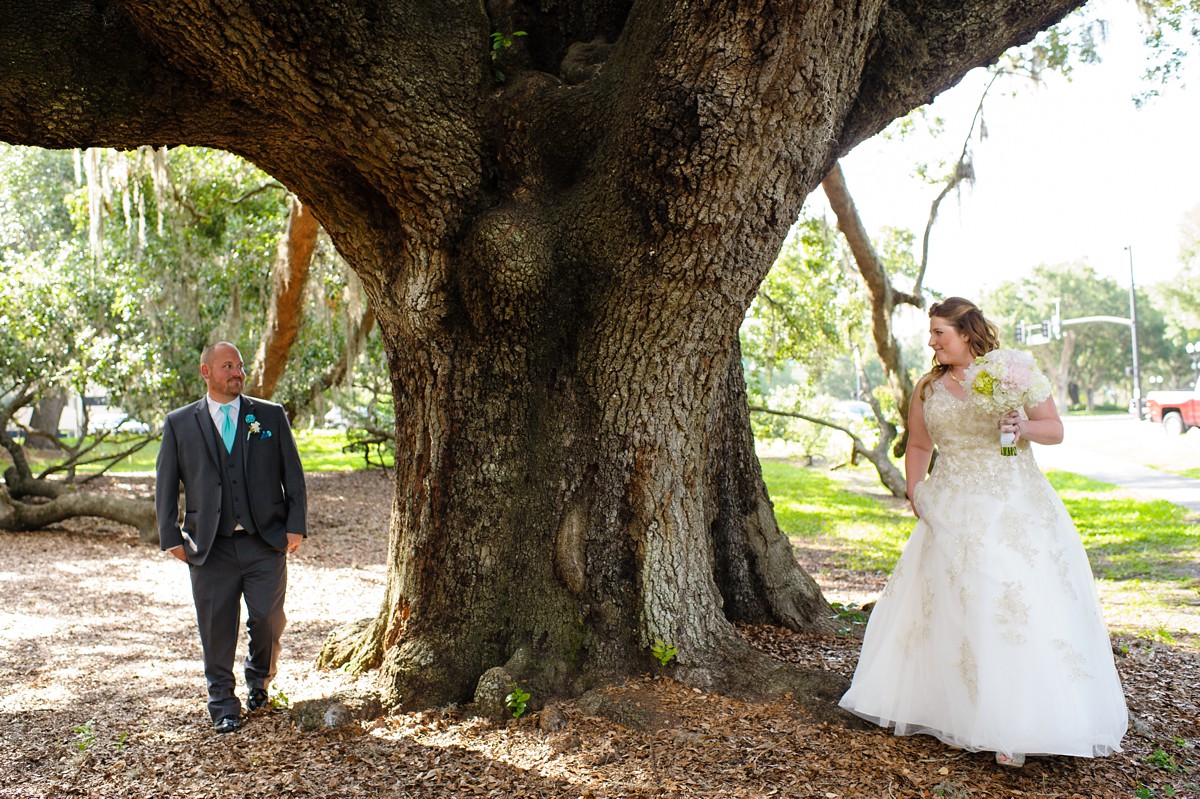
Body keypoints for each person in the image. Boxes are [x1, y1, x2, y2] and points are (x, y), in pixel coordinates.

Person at [839, 297, 1127, 767]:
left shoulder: (1011, 372)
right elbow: (917, 444)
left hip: (1011, 504)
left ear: (966, 334)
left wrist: (1025, 427)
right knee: (950, 603)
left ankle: (1018, 720)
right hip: (949, 504)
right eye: (931, 334)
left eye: (939, 333)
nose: (931, 342)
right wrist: (915, 491)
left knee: (1005, 597)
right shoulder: (927, 387)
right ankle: (952, 710)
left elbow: (1055, 428)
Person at [155, 341, 307, 734]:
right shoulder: (179, 423)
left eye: (239, 366)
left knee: (269, 620)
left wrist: (296, 524)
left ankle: (259, 679)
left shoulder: (269, 415)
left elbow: (293, 473)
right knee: (216, 627)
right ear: (206, 372)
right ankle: (222, 702)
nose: (237, 373)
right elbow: (166, 483)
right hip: (209, 545)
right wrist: (170, 535)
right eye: (227, 366)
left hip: (264, 540)